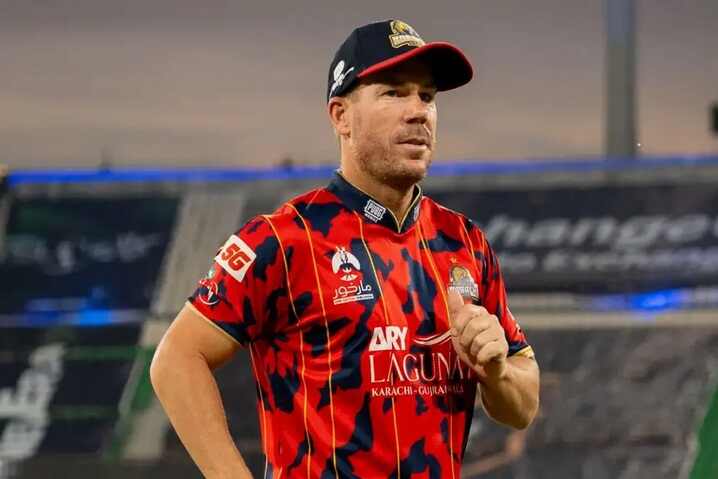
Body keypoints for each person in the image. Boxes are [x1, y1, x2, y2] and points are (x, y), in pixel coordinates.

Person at [150, 19, 540, 479]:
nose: (418, 111)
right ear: (341, 116)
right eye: (393, 92)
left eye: (427, 96)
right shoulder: (283, 239)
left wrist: (496, 372)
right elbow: (176, 360)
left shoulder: (464, 242)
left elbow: (522, 407)